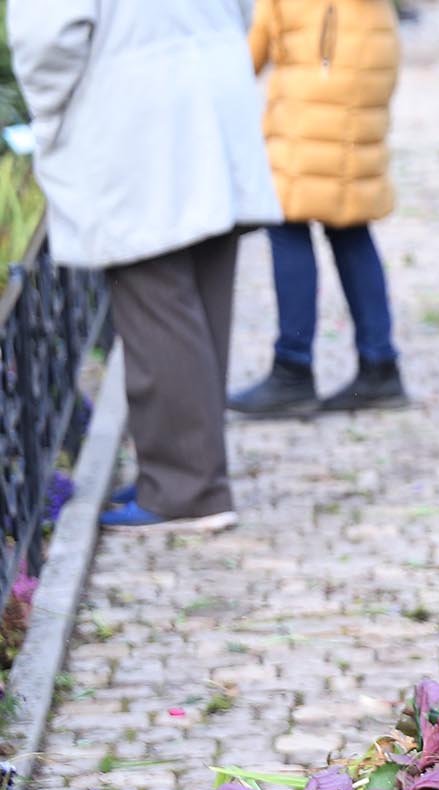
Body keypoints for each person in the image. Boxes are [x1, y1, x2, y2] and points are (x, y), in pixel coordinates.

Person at [10, 0, 280, 531]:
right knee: (202, 296)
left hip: (135, 107)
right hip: (212, 87)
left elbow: (49, 38)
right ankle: (185, 473)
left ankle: (187, 489)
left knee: (157, 300)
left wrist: (50, 111)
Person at [228, 0, 407, 417]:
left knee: (287, 218)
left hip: (325, 73)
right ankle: (379, 363)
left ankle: (293, 369)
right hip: (358, 61)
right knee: (348, 222)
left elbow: (247, 56)